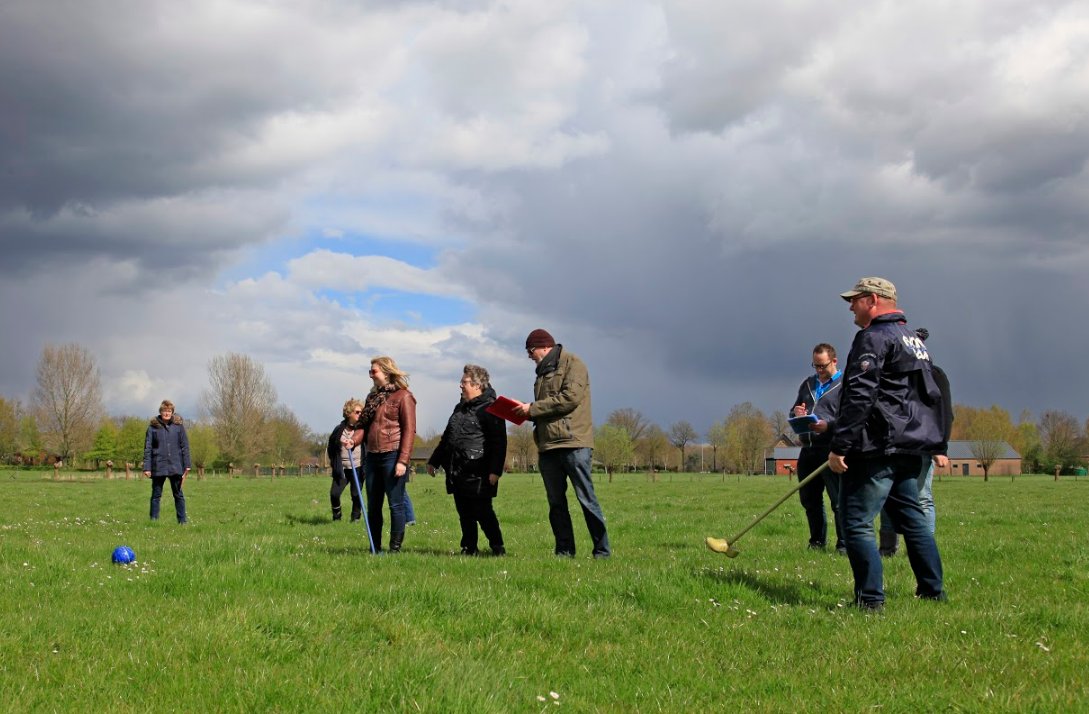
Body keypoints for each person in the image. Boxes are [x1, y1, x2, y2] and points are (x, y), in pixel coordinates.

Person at [828, 278, 947, 609]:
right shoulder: (914, 341)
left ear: (872, 300)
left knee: (856, 522)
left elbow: (859, 394)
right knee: (913, 519)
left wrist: (841, 444)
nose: (851, 308)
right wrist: (933, 442)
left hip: (878, 446)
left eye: (854, 301)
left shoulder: (873, 337)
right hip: (912, 444)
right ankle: (933, 592)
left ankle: (870, 600)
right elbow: (932, 395)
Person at [512, 329, 611, 558]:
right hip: (548, 446)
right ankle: (564, 552)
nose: (529, 355)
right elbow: (547, 408)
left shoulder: (574, 364)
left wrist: (532, 409)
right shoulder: (541, 373)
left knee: (586, 499)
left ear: (545, 347)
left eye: (531, 350)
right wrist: (523, 410)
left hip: (574, 443)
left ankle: (602, 551)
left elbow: (569, 399)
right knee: (556, 503)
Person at [879, 327, 952, 555]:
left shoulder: (935, 374)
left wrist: (940, 447)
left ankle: (923, 549)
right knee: (887, 496)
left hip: (922, 445)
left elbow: (945, 412)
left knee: (922, 497)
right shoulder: (891, 373)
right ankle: (887, 549)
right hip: (893, 444)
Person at [427, 365, 507, 555]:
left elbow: (499, 442)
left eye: (464, 382)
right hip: (458, 469)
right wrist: (434, 461)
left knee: (483, 511)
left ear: (477, 385)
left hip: (479, 471)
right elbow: (447, 438)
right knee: (464, 512)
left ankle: (497, 546)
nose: (460, 385)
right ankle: (469, 548)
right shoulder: (459, 408)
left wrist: (495, 470)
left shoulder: (492, 408)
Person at [351, 356, 417, 553]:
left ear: (387, 372)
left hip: (393, 456)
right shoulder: (372, 398)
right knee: (373, 506)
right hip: (372, 457)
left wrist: (402, 460)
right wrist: (353, 440)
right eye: (370, 371)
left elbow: (409, 430)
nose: (371, 375)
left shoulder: (404, 396)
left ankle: (394, 549)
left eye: (374, 371)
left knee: (396, 505)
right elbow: (363, 427)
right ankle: (375, 548)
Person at [791, 343, 846, 553]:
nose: (819, 370)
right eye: (815, 366)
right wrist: (797, 413)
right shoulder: (808, 384)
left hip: (831, 449)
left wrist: (828, 426)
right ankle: (816, 542)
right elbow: (794, 409)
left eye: (823, 366)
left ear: (834, 361)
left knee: (838, 501)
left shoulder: (845, 385)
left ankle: (843, 545)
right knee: (809, 499)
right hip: (808, 450)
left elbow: (850, 418)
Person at [142, 399, 190, 524]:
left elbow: (185, 446)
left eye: (169, 411)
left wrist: (187, 465)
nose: (167, 413)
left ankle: (182, 521)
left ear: (172, 412)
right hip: (158, 466)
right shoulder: (153, 427)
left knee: (178, 495)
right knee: (156, 495)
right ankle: (153, 521)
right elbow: (148, 448)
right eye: (164, 410)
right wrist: (147, 467)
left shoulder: (179, 427)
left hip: (176, 466)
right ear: (161, 411)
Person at [326, 398, 365, 522]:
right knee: (334, 494)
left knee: (356, 494)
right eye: (357, 412)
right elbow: (331, 447)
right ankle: (337, 517)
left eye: (361, 412)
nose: (360, 414)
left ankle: (355, 518)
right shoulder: (339, 430)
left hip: (358, 467)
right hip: (342, 468)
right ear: (349, 413)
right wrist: (334, 462)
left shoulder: (362, 429)